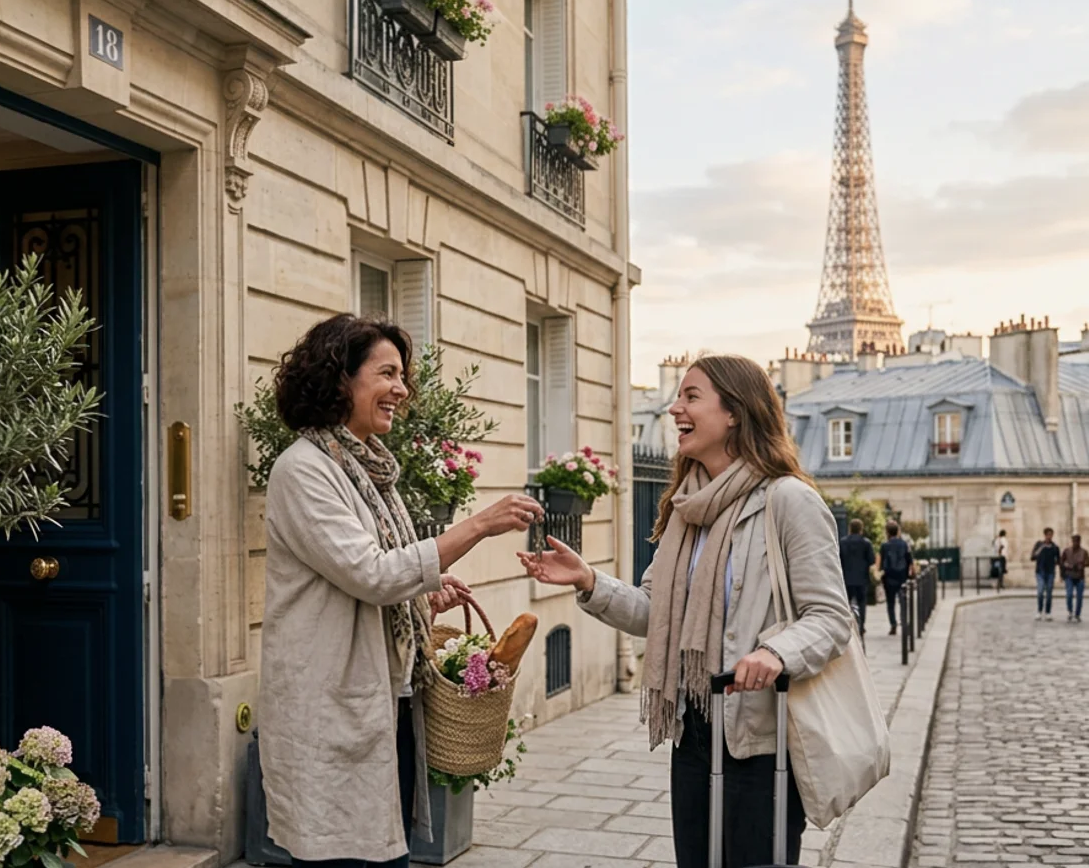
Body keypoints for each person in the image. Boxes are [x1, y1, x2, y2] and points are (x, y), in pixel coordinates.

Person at [518, 354, 851, 868]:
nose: (674, 408)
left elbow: (830, 617)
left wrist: (776, 653)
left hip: (760, 739)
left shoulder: (788, 502)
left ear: (736, 412)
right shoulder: (687, 507)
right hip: (692, 726)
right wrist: (589, 581)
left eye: (691, 396)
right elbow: (657, 614)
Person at [258, 313, 545, 868]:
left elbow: (376, 576)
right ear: (340, 379)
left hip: (387, 705)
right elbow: (370, 573)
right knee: (344, 855)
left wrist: (422, 595)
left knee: (384, 853)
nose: (401, 389)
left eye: (402, 375)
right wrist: (478, 525)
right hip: (330, 704)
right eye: (387, 373)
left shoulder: (365, 470)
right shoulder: (304, 470)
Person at [839, 518, 876, 637]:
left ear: (850, 528)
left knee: (846, 605)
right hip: (862, 579)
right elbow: (872, 560)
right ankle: (861, 626)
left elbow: (838, 560)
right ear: (861, 529)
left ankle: (848, 626)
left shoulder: (842, 542)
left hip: (846, 579)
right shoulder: (866, 543)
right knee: (862, 604)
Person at [876, 521, 911, 636]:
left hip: (889, 577)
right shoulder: (904, 544)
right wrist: (911, 573)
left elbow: (880, 563)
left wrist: (879, 574)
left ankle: (893, 624)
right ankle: (904, 622)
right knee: (903, 601)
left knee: (890, 603)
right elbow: (909, 560)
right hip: (902, 576)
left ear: (887, 532)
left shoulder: (884, 546)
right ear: (898, 531)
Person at [1034, 528, 1060, 621]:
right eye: (1048, 535)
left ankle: (1048, 612)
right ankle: (1039, 611)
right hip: (1040, 572)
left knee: (1049, 593)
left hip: (1050, 572)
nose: (1049, 536)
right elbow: (1033, 556)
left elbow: (1058, 560)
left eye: (1051, 535)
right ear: (1045, 535)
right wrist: (1041, 547)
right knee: (1040, 592)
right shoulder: (1039, 544)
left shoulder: (1055, 547)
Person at [1061, 534, 1087, 623]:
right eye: (1074, 541)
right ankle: (1070, 611)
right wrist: (1067, 567)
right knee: (1069, 595)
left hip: (1080, 577)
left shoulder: (1084, 552)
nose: (1076, 543)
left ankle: (1077, 614)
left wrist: (1081, 565)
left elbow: (1087, 562)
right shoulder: (1067, 551)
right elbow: (1062, 562)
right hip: (1069, 575)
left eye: (1077, 541)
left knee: (1079, 597)